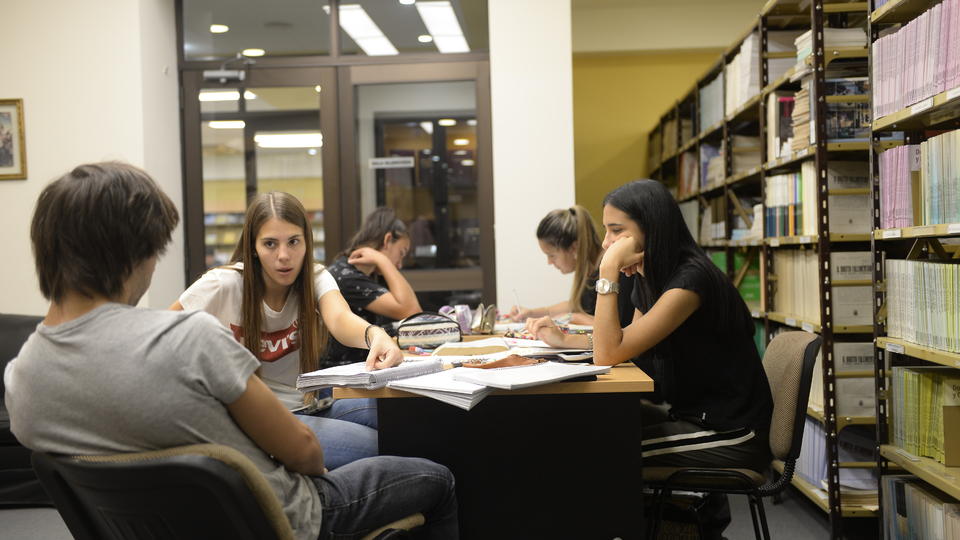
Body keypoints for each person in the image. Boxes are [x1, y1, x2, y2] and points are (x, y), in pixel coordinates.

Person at [4, 162, 458, 540]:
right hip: (279, 517)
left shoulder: (22, 382)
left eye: (293, 242)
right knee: (436, 476)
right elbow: (302, 452)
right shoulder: (192, 338)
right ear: (135, 255)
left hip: (182, 525)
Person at [527, 180, 773, 539]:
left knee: (605, 454)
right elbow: (623, 344)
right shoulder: (655, 277)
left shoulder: (690, 282)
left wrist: (608, 269)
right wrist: (563, 340)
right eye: (607, 232)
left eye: (616, 231)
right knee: (586, 434)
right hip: (692, 416)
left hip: (732, 432)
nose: (608, 242)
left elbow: (610, 353)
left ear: (651, 228)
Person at [171, 192, 392, 468]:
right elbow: (161, 333)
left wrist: (376, 335)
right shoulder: (223, 284)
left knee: (401, 423)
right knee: (380, 445)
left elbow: (339, 318)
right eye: (270, 244)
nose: (284, 256)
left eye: (293, 242)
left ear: (306, 242)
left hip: (309, 400)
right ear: (253, 247)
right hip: (259, 421)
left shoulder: (314, 277)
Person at [324, 207, 422, 367]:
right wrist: (382, 260)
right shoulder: (347, 276)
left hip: (364, 368)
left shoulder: (365, 275)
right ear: (387, 240)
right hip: (344, 377)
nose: (399, 264)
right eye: (401, 253)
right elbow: (412, 312)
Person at [507, 205, 634, 328]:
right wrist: (531, 313)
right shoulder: (588, 271)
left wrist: (572, 317)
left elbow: (617, 327)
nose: (549, 262)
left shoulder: (615, 271)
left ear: (574, 248)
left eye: (552, 255)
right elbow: (575, 305)